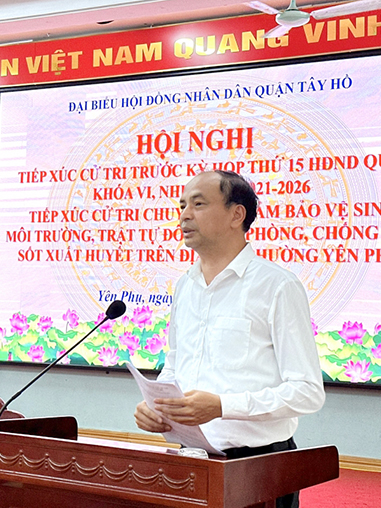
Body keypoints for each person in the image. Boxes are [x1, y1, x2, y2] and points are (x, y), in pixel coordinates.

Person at [134, 170, 325, 508]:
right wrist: (157, 407)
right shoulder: (185, 286)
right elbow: (176, 366)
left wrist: (222, 406)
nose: (184, 215)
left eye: (198, 204)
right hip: (192, 459)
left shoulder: (277, 286)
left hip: (260, 465)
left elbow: (307, 392)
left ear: (237, 215)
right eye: (182, 205)